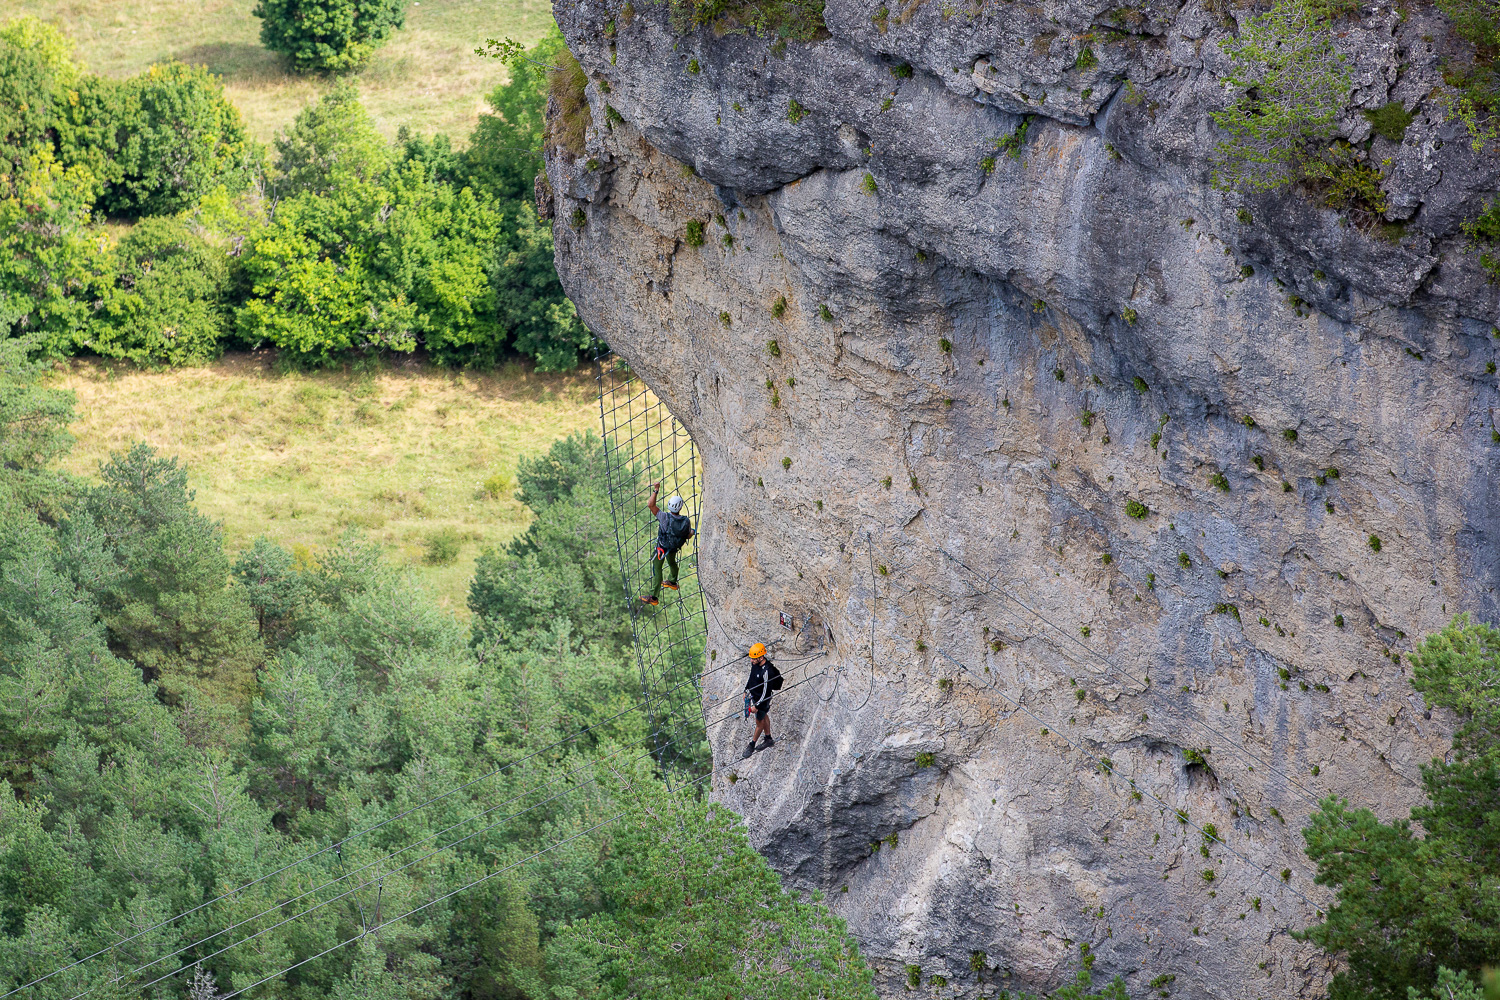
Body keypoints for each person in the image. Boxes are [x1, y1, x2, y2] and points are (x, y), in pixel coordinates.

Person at [639, 481, 693, 606]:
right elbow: (688, 534)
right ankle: (673, 582)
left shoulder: (664, 517)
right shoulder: (686, 521)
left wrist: (656, 490)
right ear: (680, 507)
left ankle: (654, 596)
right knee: (672, 563)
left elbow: (650, 505)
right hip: (674, 548)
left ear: (669, 505)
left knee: (657, 569)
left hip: (662, 548)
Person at [742, 642, 782, 758]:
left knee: (759, 723)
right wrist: (746, 690)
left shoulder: (767, 672)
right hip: (755, 697)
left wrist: (757, 706)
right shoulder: (755, 665)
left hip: (762, 701)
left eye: (754, 659)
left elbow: (766, 692)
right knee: (764, 717)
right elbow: (751, 678)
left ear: (761, 657)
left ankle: (752, 745)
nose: (751, 661)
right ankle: (768, 738)